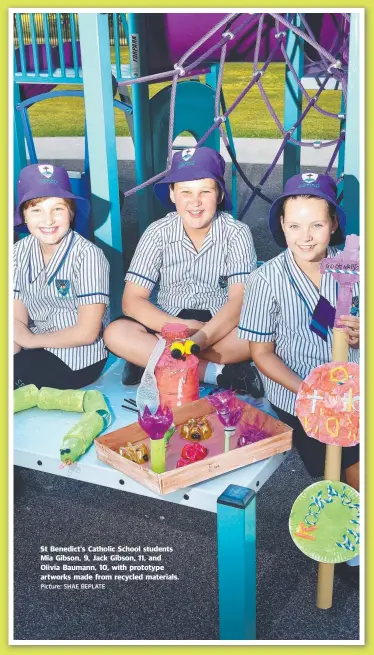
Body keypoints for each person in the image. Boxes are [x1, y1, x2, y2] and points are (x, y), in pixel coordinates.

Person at [238, 172, 360, 586]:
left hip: (356, 388)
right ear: (281, 227)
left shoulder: (354, 267)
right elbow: (261, 353)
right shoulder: (266, 279)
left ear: (334, 225)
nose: (305, 237)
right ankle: (350, 548)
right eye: (294, 225)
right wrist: (312, 391)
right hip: (300, 393)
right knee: (352, 471)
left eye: (317, 224)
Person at [104, 146, 263, 396]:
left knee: (260, 336)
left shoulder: (237, 233)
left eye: (205, 191)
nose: (195, 202)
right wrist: (180, 327)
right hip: (167, 324)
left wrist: (199, 338)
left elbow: (238, 302)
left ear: (220, 194)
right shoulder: (157, 232)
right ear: (171, 194)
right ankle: (219, 373)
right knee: (115, 333)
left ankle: (151, 359)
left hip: (217, 327)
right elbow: (132, 301)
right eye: (185, 192)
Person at [13, 164, 110, 390]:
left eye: (58, 209)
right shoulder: (17, 253)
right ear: (23, 216)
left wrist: (30, 341)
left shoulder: (88, 256)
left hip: (78, 357)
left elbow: (87, 333)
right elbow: (17, 321)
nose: (48, 220)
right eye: (36, 210)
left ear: (72, 212)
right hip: (34, 345)